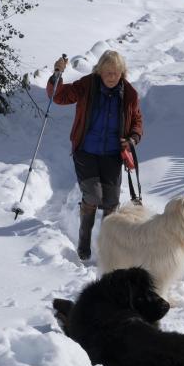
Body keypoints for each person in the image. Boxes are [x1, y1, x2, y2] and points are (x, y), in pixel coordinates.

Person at [47, 50, 144, 261]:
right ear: (99, 71)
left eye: (116, 73)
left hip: (112, 155)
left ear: (122, 73)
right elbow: (60, 96)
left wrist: (132, 139)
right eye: (107, 72)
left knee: (111, 202)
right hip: (86, 151)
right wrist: (57, 74)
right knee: (92, 196)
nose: (111, 77)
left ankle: (107, 248)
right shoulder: (87, 86)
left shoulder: (129, 95)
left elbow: (137, 122)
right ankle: (83, 242)